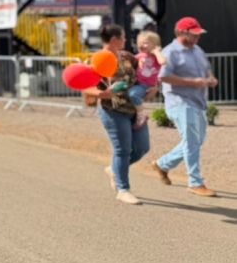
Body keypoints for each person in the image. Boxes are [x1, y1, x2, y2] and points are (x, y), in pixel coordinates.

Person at [151, 16, 218, 197]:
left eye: (198, 34)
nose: (198, 37)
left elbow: (206, 69)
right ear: (182, 33)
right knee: (191, 142)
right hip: (179, 102)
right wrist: (192, 82)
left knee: (197, 142)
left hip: (198, 102)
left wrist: (209, 78)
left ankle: (162, 164)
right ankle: (195, 183)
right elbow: (163, 77)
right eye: (194, 34)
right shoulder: (170, 52)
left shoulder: (197, 50)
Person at [88, 24, 150, 205]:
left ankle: (113, 169)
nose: (125, 40)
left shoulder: (127, 56)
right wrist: (102, 94)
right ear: (115, 39)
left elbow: (142, 76)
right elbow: (84, 86)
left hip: (134, 109)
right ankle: (123, 189)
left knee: (142, 148)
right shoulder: (97, 59)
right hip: (112, 111)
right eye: (123, 37)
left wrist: (150, 86)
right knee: (122, 150)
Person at [128, 30, 164, 129]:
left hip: (147, 86)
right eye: (140, 43)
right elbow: (129, 61)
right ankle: (136, 113)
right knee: (130, 93)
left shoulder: (156, 56)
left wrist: (157, 52)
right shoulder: (140, 56)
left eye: (145, 43)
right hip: (139, 84)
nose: (142, 45)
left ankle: (141, 114)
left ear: (155, 44)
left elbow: (163, 62)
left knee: (132, 94)